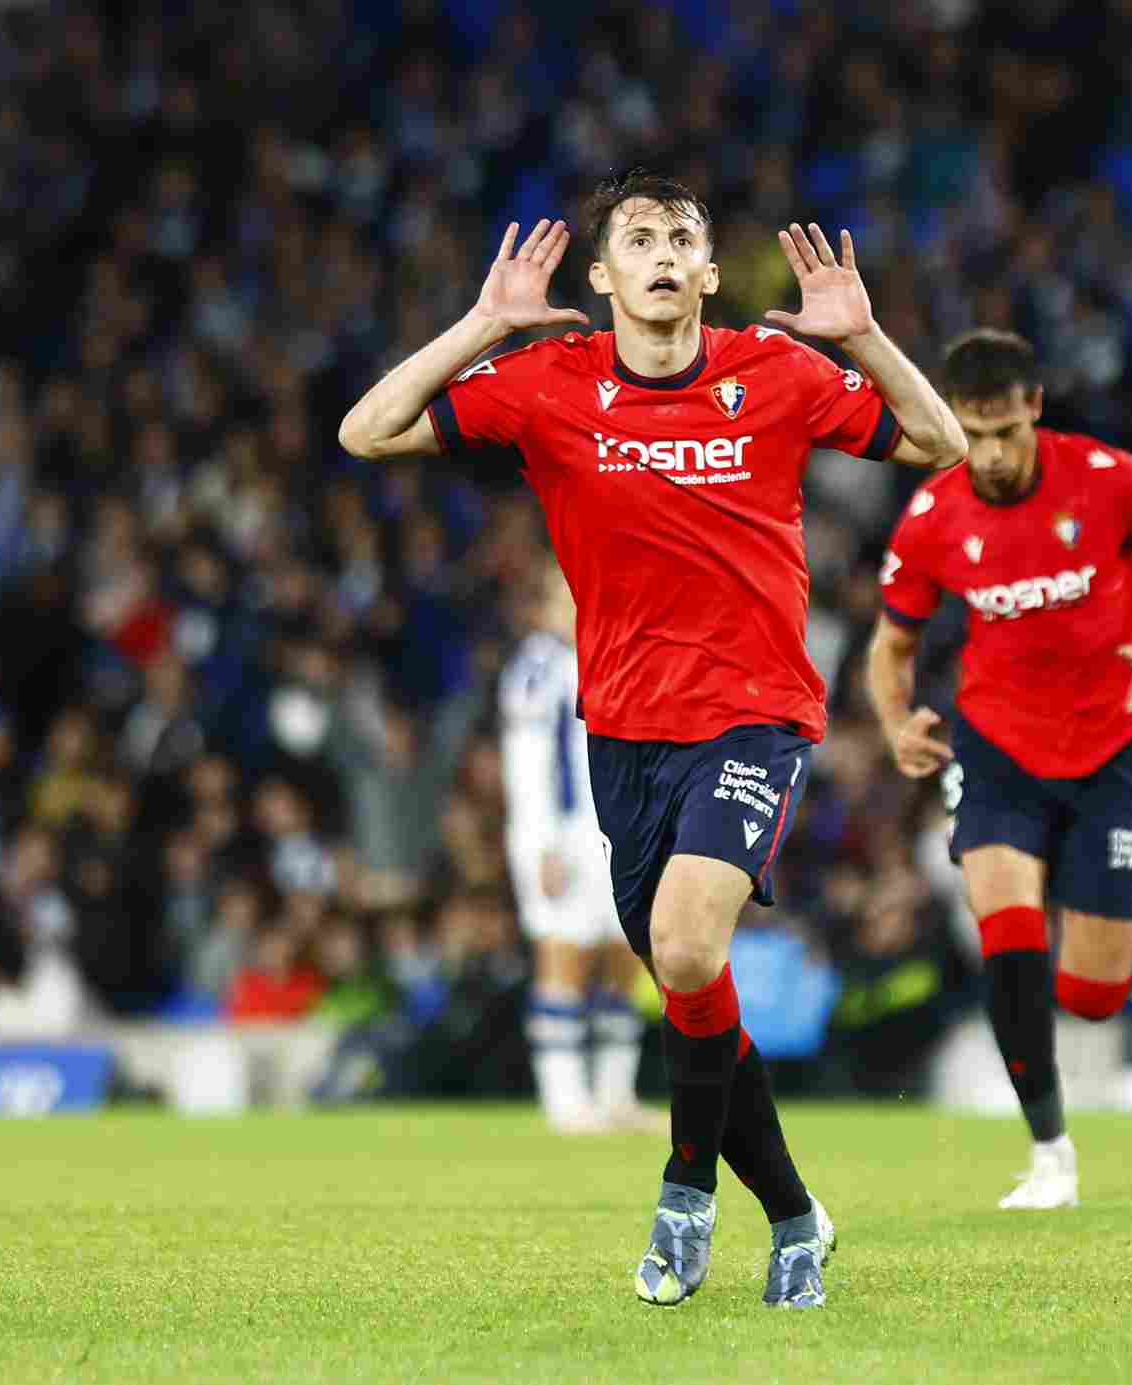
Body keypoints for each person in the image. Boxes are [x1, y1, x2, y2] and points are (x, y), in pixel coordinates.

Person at [338, 169, 966, 1308]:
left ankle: (683, 1193)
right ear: (603, 275)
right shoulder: (549, 384)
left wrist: (865, 338)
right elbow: (366, 429)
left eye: (684, 235)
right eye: (639, 236)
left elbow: (940, 442)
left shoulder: (773, 372)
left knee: (681, 946)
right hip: (621, 733)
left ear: (710, 272)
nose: (665, 250)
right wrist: (483, 323)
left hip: (754, 711)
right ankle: (795, 1215)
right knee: (690, 989)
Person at [865, 329, 1132, 1210]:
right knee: (1009, 933)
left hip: (1109, 748)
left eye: (1002, 432)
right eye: (971, 433)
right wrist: (893, 718)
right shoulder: (934, 513)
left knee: (1092, 997)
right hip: (999, 751)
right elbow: (892, 642)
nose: (986, 454)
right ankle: (1050, 1153)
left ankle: (1130, 937)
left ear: (1033, 409)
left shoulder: (1108, 480)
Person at [500, 563, 659, 1133]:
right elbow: (526, 770)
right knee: (562, 957)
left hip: (614, 835)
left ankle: (614, 1094)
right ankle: (564, 1101)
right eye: (565, 597)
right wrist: (543, 844)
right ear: (545, 605)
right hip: (559, 837)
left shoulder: (616, 656)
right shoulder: (538, 669)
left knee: (624, 960)